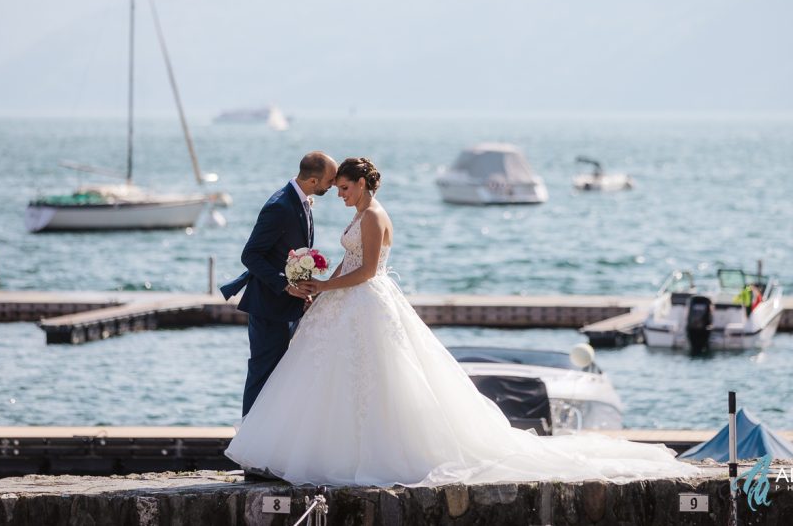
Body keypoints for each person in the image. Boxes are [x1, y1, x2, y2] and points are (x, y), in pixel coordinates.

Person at [225, 157, 697, 486]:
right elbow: (354, 267)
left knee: (372, 376)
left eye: (345, 188)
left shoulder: (372, 217)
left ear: (362, 185)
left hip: (364, 300)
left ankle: (355, 453)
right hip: (351, 300)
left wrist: (322, 288)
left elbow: (367, 271)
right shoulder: (365, 214)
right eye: (338, 188)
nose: (340, 196)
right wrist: (321, 282)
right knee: (341, 376)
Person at [220, 151, 338, 416]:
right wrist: (286, 286)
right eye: (330, 180)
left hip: (288, 306)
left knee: (281, 377)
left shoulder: (301, 201)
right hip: (269, 308)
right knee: (262, 374)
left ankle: (268, 439)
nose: (333, 185)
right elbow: (250, 255)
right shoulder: (280, 206)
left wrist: (302, 287)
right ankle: (248, 441)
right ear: (312, 181)